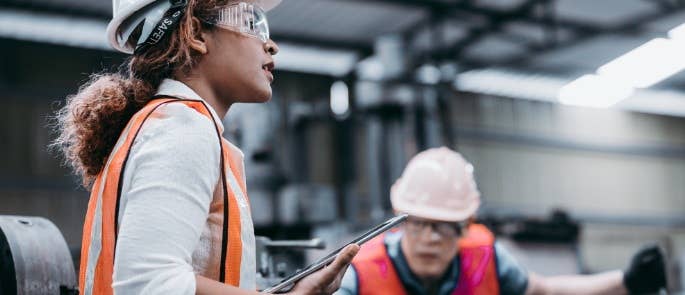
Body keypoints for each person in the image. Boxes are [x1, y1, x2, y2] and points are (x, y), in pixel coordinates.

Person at [53, 0, 358, 294]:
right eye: (252, 22)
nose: (270, 45)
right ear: (197, 34)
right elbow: (148, 285)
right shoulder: (182, 129)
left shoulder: (165, 124)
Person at [337, 147, 667, 295]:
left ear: (465, 227)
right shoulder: (361, 273)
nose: (430, 238)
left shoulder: (486, 260)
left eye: (444, 226)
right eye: (419, 223)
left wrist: (629, 282)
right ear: (400, 223)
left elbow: (547, 291)